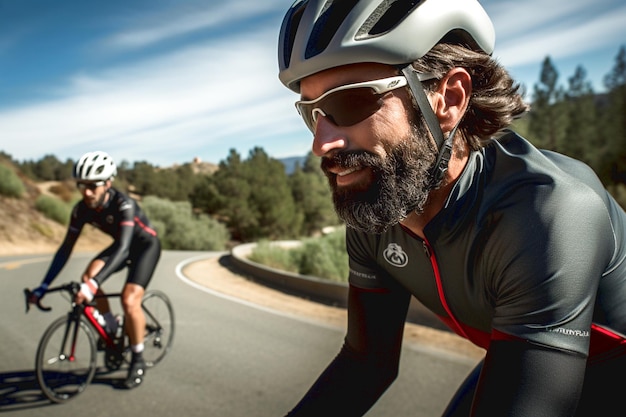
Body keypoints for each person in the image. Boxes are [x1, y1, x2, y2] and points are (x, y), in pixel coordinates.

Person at [277, 0, 626, 416]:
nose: (322, 143)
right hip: (540, 362)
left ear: (449, 97)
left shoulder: (546, 212)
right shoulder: (378, 209)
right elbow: (365, 363)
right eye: (312, 113)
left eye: (351, 102)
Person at [28, 151, 161, 390]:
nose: (86, 192)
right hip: (123, 246)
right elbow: (65, 249)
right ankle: (111, 326)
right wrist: (44, 284)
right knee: (88, 276)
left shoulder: (124, 205)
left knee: (129, 300)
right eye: (81, 185)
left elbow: (122, 248)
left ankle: (138, 358)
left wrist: (91, 288)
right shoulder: (81, 209)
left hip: (144, 246)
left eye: (93, 186)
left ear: (107, 183)